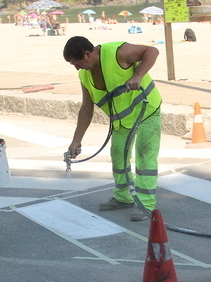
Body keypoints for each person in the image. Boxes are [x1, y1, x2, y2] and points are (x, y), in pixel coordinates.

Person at [63, 37, 162, 222]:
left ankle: (145, 204)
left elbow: (152, 51)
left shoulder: (117, 52)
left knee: (145, 155)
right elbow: (86, 108)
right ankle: (123, 197)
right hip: (122, 120)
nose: (77, 68)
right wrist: (76, 141)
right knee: (118, 156)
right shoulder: (85, 75)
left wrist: (138, 74)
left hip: (147, 110)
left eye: (78, 63)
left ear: (88, 53)